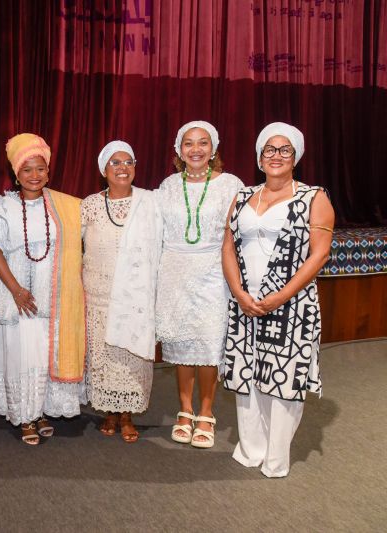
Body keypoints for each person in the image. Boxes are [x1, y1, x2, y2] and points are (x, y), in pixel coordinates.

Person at [221, 122, 334, 477]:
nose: (276, 155)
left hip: (292, 305)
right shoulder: (242, 197)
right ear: (259, 157)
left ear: (296, 157)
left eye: (285, 150)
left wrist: (279, 297)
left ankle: (275, 457)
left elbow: (320, 255)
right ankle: (251, 448)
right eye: (269, 149)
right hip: (245, 303)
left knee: (283, 379)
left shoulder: (314, 197)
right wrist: (240, 293)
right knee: (248, 374)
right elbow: (227, 246)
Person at [0, 133, 85, 445]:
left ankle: (41, 411)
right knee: (22, 354)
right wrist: (16, 290)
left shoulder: (64, 206)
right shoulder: (2, 206)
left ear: (48, 172)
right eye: (27, 169)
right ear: (16, 173)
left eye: (40, 168)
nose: (34, 175)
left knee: (44, 354)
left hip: (52, 292)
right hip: (17, 295)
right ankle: (24, 416)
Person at [155, 121, 243, 448]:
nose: (196, 149)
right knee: (181, 343)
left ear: (214, 148)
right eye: (188, 143)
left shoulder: (231, 184)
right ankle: (184, 410)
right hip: (174, 270)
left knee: (208, 342)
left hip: (213, 270)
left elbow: (236, 232)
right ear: (179, 150)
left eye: (203, 143)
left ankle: (206, 410)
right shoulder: (167, 186)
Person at [81, 141, 159, 443]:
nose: (122, 167)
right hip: (98, 295)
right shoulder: (88, 204)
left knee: (130, 357)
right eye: (115, 162)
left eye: (128, 161)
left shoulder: (149, 203)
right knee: (103, 356)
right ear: (103, 169)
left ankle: (126, 415)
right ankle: (108, 412)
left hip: (136, 298)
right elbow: (74, 248)